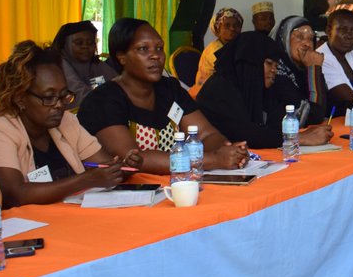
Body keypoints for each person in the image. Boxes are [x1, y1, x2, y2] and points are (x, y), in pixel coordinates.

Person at [0, 42, 142, 207]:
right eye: (49, 97)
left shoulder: (66, 121)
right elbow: (15, 194)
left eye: (63, 96)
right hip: (30, 226)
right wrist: (86, 180)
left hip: (72, 218)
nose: (59, 105)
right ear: (20, 98)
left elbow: (105, 168)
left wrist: (125, 168)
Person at [78, 18, 249, 174]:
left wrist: (227, 150)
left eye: (159, 48)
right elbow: (135, 159)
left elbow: (205, 134)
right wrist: (214, 160)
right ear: (121, 56)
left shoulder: (170, 89)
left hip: (176, 184)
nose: (156, 56)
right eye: (143, 49)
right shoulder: (103, 100)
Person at [197, 31, 333, 148]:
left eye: (276, 64)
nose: (274, 70)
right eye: (269, 63)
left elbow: (279, 123)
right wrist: (298, 138)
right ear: (251, 63)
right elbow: (246, 134)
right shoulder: (219, 89)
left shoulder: (259, 87)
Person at [271, 15, 331, 126]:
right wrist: (314, 68)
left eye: (310, 39)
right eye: (299, 37)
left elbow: (329, 105)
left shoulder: (302, 70)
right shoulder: (275, 72)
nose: (307, 44)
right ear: (284, 39)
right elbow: (313, 116)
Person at [51, 20, 116, 108]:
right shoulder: (58, 64)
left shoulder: (95, 64)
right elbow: (80, 96)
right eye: (79, 43)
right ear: (65, 45)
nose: (85, 46)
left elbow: (119, 86)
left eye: (90, 43)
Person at [196, 7, 244, 86]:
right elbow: (231, 74)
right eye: (227, 25)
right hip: (207, 92)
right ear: (218, 30)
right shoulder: (214, 50)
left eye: (236, 25)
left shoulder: (234, 45)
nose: (232, 28)